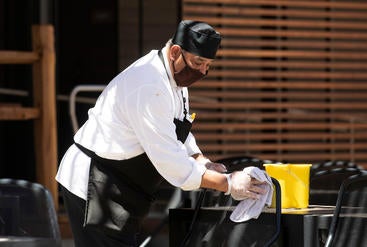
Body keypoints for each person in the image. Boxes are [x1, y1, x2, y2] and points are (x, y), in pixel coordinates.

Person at [56, 20, 266, 247]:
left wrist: (202, 161)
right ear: (176, 51)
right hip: (94, 180)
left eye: (208, 65)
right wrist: (228, 183)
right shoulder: (150, 85)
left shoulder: (175, 78)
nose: (203, 71)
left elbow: (179, 128)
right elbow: (172, 164)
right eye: (198, 62)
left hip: (124, 184)